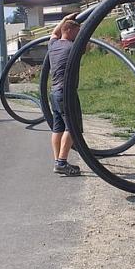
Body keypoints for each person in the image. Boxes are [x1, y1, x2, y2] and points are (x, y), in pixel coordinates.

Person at [47, 12, 82, 176]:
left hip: (54, 92)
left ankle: (58, 162)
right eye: (76, 32)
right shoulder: (72, 48)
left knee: (58, 128)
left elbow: (54, 33)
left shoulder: (53, 45)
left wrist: (64, 19)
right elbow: (86, 46)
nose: (78, 35)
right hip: (66, 94)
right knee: (72, 127)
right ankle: (62, 162)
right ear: (68, 30)